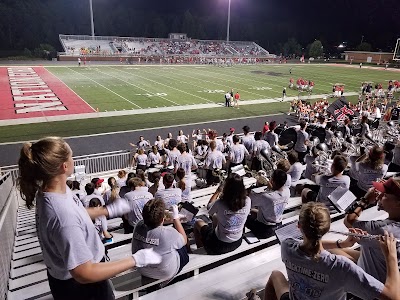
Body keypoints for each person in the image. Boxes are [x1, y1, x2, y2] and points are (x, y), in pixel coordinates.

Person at [17, 137, 161, 300]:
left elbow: (76, 214)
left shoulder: (52, 190)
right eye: (71, 156)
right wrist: (135, 260)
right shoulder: (63, 215)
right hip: (83, 289)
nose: (74, 159)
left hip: (72, 282)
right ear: (64, 166)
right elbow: (83, 273)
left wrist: (106, 211)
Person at [264, 202, 400, 300]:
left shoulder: (287, 247)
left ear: (299, 226)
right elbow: (393, 296)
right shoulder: (342, 267)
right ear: (328, 229)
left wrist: (343, 244)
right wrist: (391, 257)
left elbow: (308, 244)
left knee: (275, 275)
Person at [342, 177, 400, 283]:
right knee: (334, 250)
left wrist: (366, 200)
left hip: (374, 287)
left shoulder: (382, 230)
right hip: (383, 265)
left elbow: (349, 221)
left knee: (329, 253)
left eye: (385, 195)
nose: (380, 196)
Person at [132, 199, 189, 280]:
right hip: (165, 273)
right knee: (182, 247)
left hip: (142, 270)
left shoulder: (139, 225)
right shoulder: (168, 233)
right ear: (162, 219)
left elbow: (152, 221)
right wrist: (176, 218)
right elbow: (184, 240)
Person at [194, 173, 251, 254]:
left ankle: (201, 249)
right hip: (237, 241)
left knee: (197, 222)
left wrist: (218, 191)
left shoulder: (220, 203)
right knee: (215, 217)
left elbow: (209, 209)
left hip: (219, 245)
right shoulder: (248, 200)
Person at [246, 169, 289, 239]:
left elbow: (249, 200)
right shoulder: (287, 191)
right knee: (254, 211)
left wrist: (258, 184)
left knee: (246, 216)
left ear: (273, 181)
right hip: (278, 223)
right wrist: (271, 188)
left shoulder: (266, 196)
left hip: (264, 229)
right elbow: (276, 195)